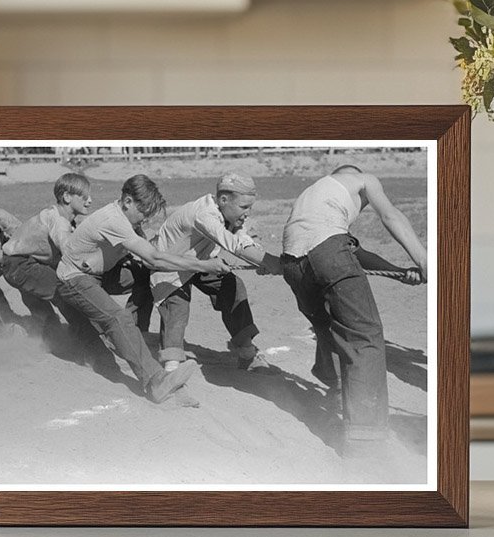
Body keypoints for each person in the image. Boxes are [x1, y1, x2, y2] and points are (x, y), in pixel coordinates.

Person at [56, 174, 230, 404]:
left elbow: (150, 258)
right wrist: (203, 265)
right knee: (117, 318)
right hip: (73, 279)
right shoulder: (113, 220)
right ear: (127, 201)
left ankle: (131, 337)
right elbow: (155, 258)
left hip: (96, 274)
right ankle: (155, 381)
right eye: (143, 212)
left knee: (145, 277)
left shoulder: (130, 221)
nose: (144, 220)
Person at [281, 165, 426, 433]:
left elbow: (349, 252)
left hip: (292, 262)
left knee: (327, 328)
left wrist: (398, 273)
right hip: (328, 252)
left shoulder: (315, 197)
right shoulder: (364, 179)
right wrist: (424, 261)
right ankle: (365, 440)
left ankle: (337, 392)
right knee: (364, 336)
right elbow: (390, 215)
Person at [150, 173, 283, 372]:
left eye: (250, 207)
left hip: (201, 263)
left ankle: (247, 353)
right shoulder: (204, 213)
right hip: (170, 267)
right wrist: (279, 265)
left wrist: (263, 261)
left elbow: (243, 239)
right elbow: (234, 245)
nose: (247, 213)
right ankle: (171, 368)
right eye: (244, 207)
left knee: (232, 286)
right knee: (177, 308)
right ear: (223, 200)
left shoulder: (228, 213)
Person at [0, 172, 100, 351]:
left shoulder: (59, 216)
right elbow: (67, 246)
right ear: (67, 197)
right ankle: (91, 344)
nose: (90, 200)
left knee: (41, 301)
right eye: (84, 196)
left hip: (22, 264)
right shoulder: (58, 220)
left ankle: (49, 338)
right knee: (65, 292)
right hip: (20, 265)